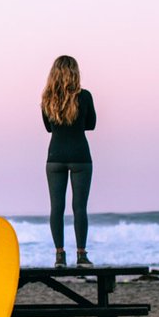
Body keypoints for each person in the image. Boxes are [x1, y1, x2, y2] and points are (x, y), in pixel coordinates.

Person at [41, 55, 96, 267]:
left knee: (56, 207)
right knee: (79, 207)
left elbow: (48, 127)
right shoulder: (85, 96)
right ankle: (81, 255)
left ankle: (59, 256)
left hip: (55, 157)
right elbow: (91, 124)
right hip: (81, 156)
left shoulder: (47, 98)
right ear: (75, 72)